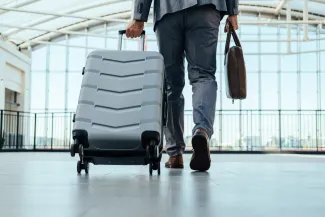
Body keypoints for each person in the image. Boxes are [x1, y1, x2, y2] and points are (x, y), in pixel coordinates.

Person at [126, 0, 239, 171]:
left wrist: (139, 16)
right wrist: (233, 11)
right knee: (203, 76)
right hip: (205, 9)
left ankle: (175, 153)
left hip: (168, 12)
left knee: (171, 85)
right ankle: (202, 130)